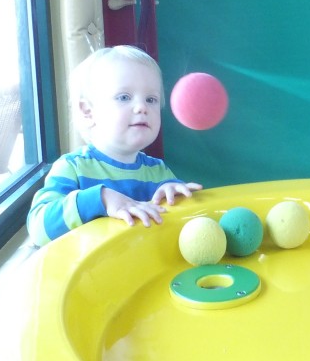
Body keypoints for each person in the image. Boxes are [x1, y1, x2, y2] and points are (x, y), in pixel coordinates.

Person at [28, 46, 202, 246]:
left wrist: (177, 195)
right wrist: (101, 199)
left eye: (151, 99)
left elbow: (178, 225)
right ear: (88, 112)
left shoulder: (158, 172)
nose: (142, 107)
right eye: (124, 97)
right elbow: (38, 228)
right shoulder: (72, 167)